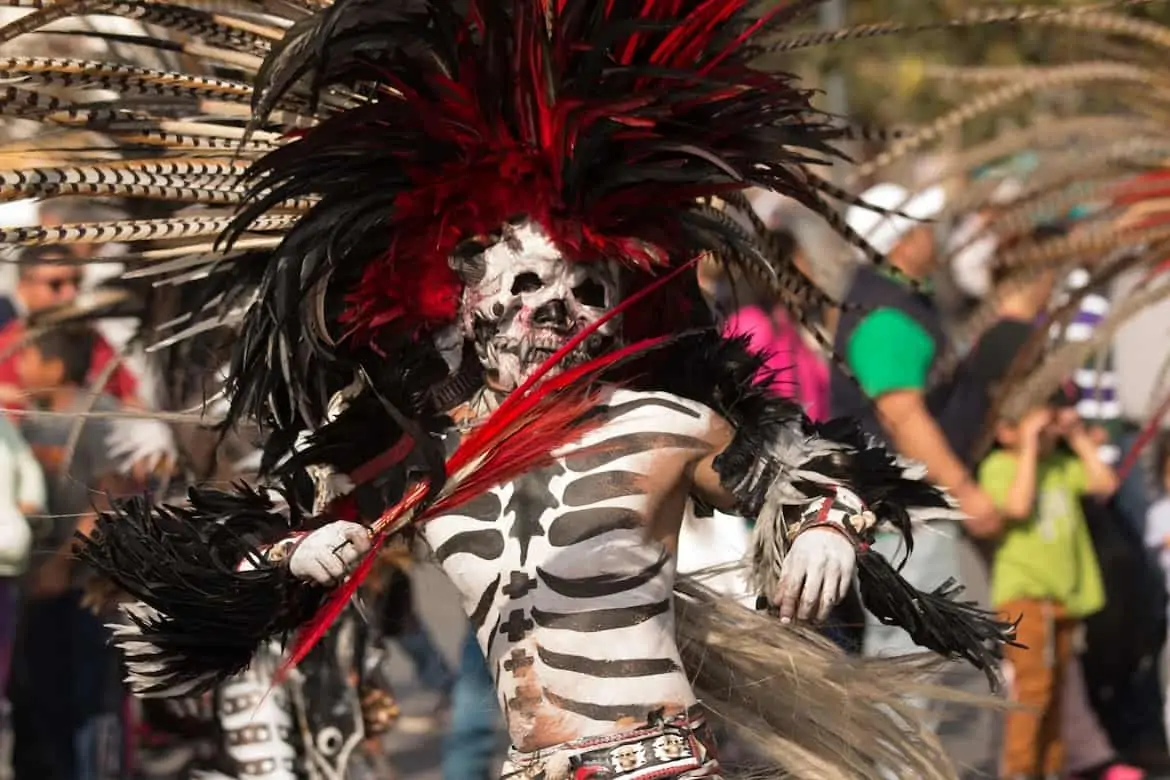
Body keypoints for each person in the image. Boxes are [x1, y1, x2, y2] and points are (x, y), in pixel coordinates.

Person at [18, 3, 1018, 779]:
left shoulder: (658, 421)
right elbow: (255, 529)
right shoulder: (431, 457)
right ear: (462, 301)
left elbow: (806, 459)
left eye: (589, 295)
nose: (559, 315)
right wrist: (296, 553)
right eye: (530, 288)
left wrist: (826, 526)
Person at [7, 325, 138, 780]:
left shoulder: (100, 417)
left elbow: (108, 498)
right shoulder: (30, 419)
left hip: (88, 592)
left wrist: (64, 563)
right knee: (40, 700)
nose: (19, 365)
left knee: (90, 707)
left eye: (28, 357)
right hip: (42, 590)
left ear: (56, 366)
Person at [979, 387, 1117, 779]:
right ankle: (1018, 771)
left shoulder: (1059, 464)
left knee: (1058, 695)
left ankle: (1049, 770)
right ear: (1006, 431)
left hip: (1062, 598)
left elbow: (1104, 484)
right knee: (1031, 690)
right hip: (1024, 596)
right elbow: (1017, 506)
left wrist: (1075, 438)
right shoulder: (1000, 466)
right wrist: (1026, 446)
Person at [0, 245, 140, 409]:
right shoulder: (9, 337)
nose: (70, 293)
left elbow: (129, 399)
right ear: (24, 285)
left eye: (76, 282)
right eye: (56, 284)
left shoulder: (88, 337)